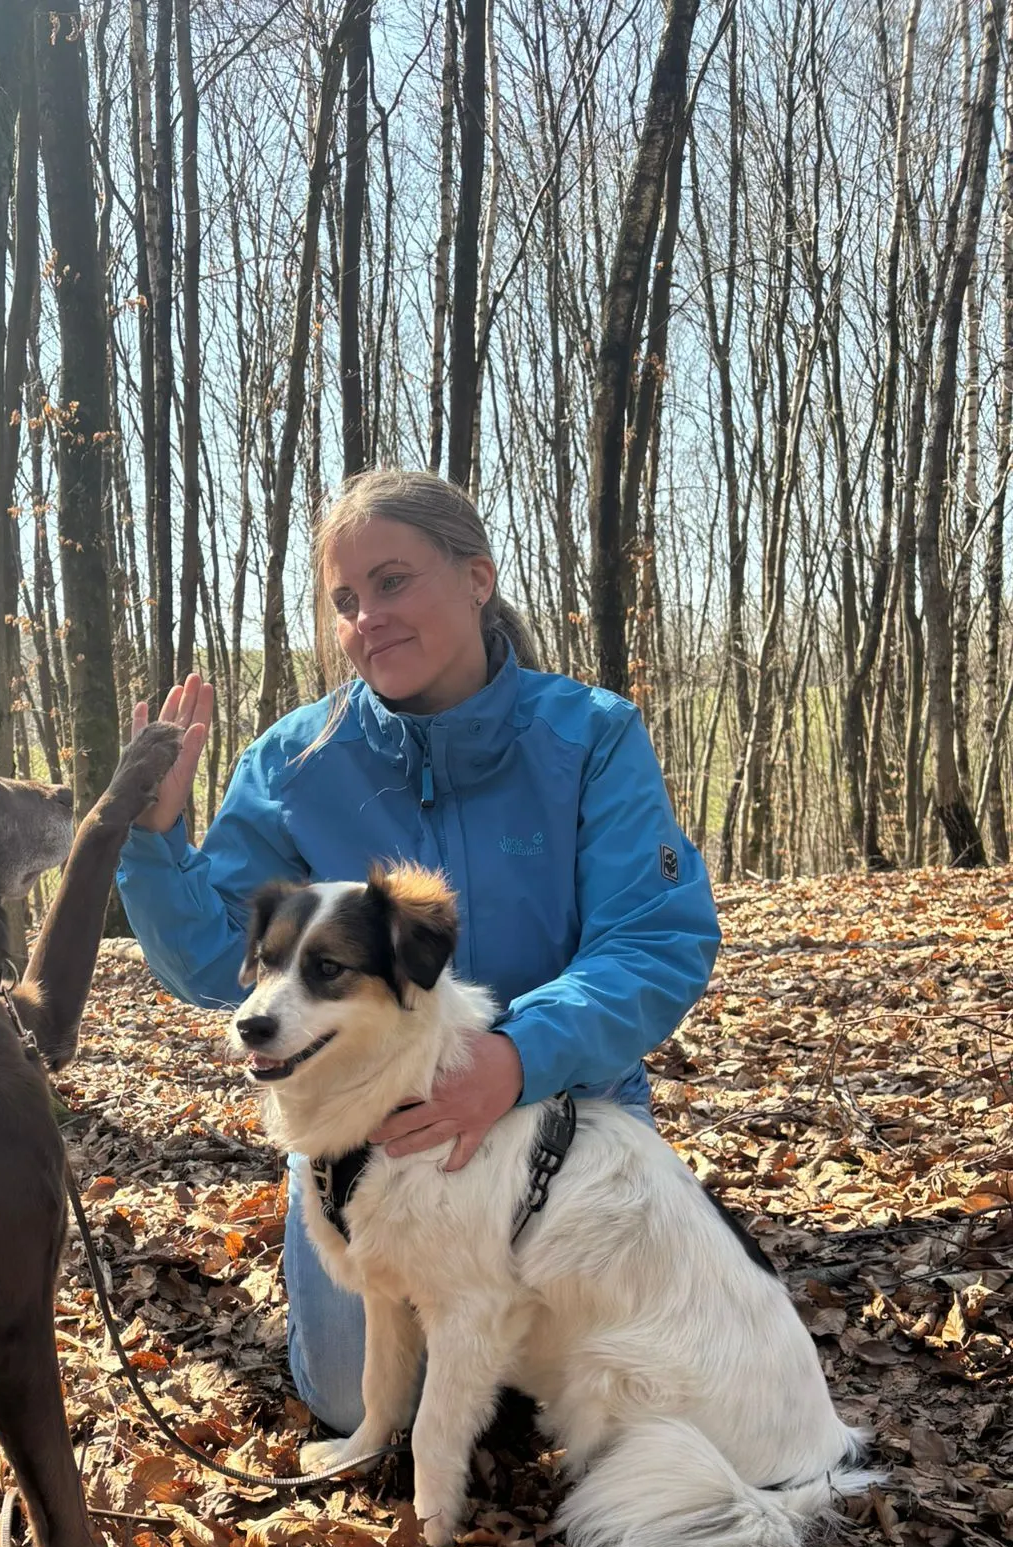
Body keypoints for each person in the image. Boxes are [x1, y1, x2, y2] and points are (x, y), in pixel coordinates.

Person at [116, 468, 721, 1436]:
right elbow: (208, 960)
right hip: (369, 1139)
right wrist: (151, 841)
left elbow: (653, 938)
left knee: (604, 1398)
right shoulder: (290, 763)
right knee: (355, 1398)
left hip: (570, 1116)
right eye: (347, 600)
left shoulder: (592, 738)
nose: (367, 618)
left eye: (393, 581)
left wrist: (515, 1058)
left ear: (477, 578)